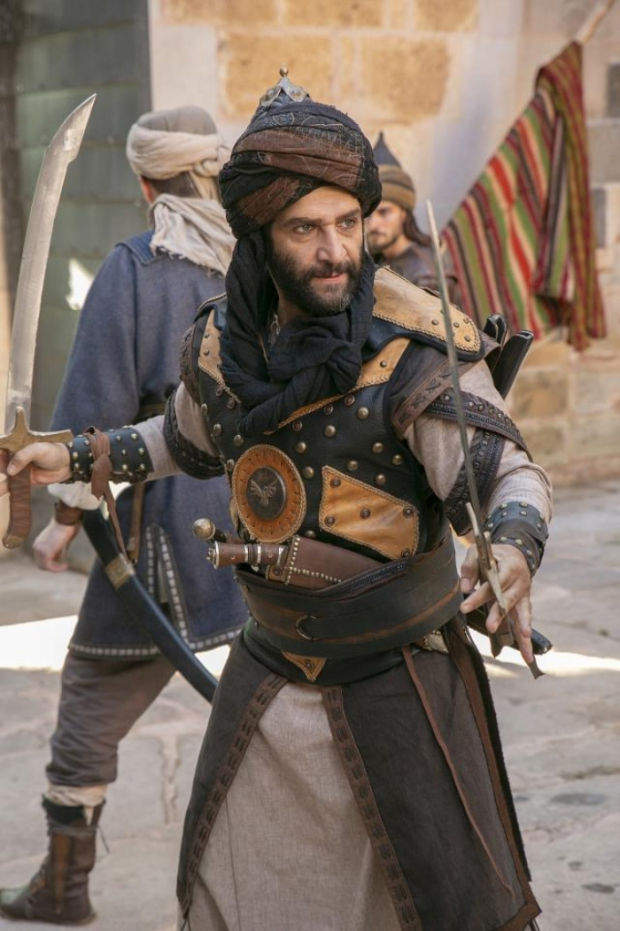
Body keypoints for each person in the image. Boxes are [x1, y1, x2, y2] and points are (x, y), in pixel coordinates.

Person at [2, 74, 551, 931]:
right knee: (236, 892)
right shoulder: (222, 344)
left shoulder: (413, 349)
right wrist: (75, 453)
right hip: (268, 679)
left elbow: (507, 473)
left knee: (434, 903)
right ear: (257, 237)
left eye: (348, 223)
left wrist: (511, 546)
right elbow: (181, 439)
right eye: (306, 228)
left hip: (398, 684)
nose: (337, 251)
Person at [0, 106, 247, 925]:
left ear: (146, 185)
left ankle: (62, 886)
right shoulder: (258, 259)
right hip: (267, 520)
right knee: (271, 691)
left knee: (89, 698)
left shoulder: (137, 268)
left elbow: (90, 423)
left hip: (166, 524)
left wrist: (63, 521)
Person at [366, 132, 460, 302]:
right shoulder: (379, 260)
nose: (373, 225)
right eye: (367, 215)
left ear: (404, 213)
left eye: (384, 212)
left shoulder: (425, 276)